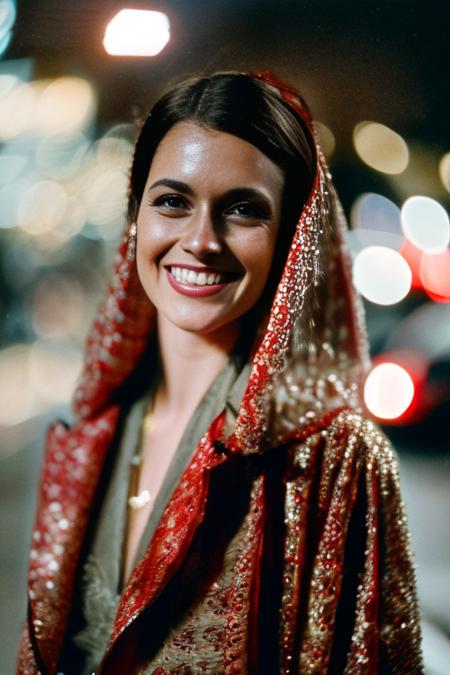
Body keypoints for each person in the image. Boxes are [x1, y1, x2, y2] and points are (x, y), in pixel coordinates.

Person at [17, 71, 423, 674]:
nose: (201, 241)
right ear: (137, 218)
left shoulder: (335, 460)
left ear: (290, 238)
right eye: (172, 201)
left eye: (242, 210)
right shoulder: (91, 434)